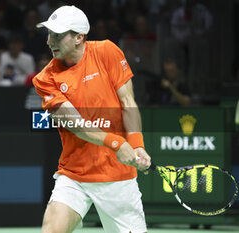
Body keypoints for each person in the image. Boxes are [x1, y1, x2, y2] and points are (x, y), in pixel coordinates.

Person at [32, 5, 151, 233]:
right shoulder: (45, 79)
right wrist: (117, 143)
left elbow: (128, 102)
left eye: (57, 35)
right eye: (49, 35)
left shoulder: (107, 52)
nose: (50, 42)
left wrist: (137, 145)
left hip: (117, 176)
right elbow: (77, 125)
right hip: (74, 175)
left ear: (79, 37)